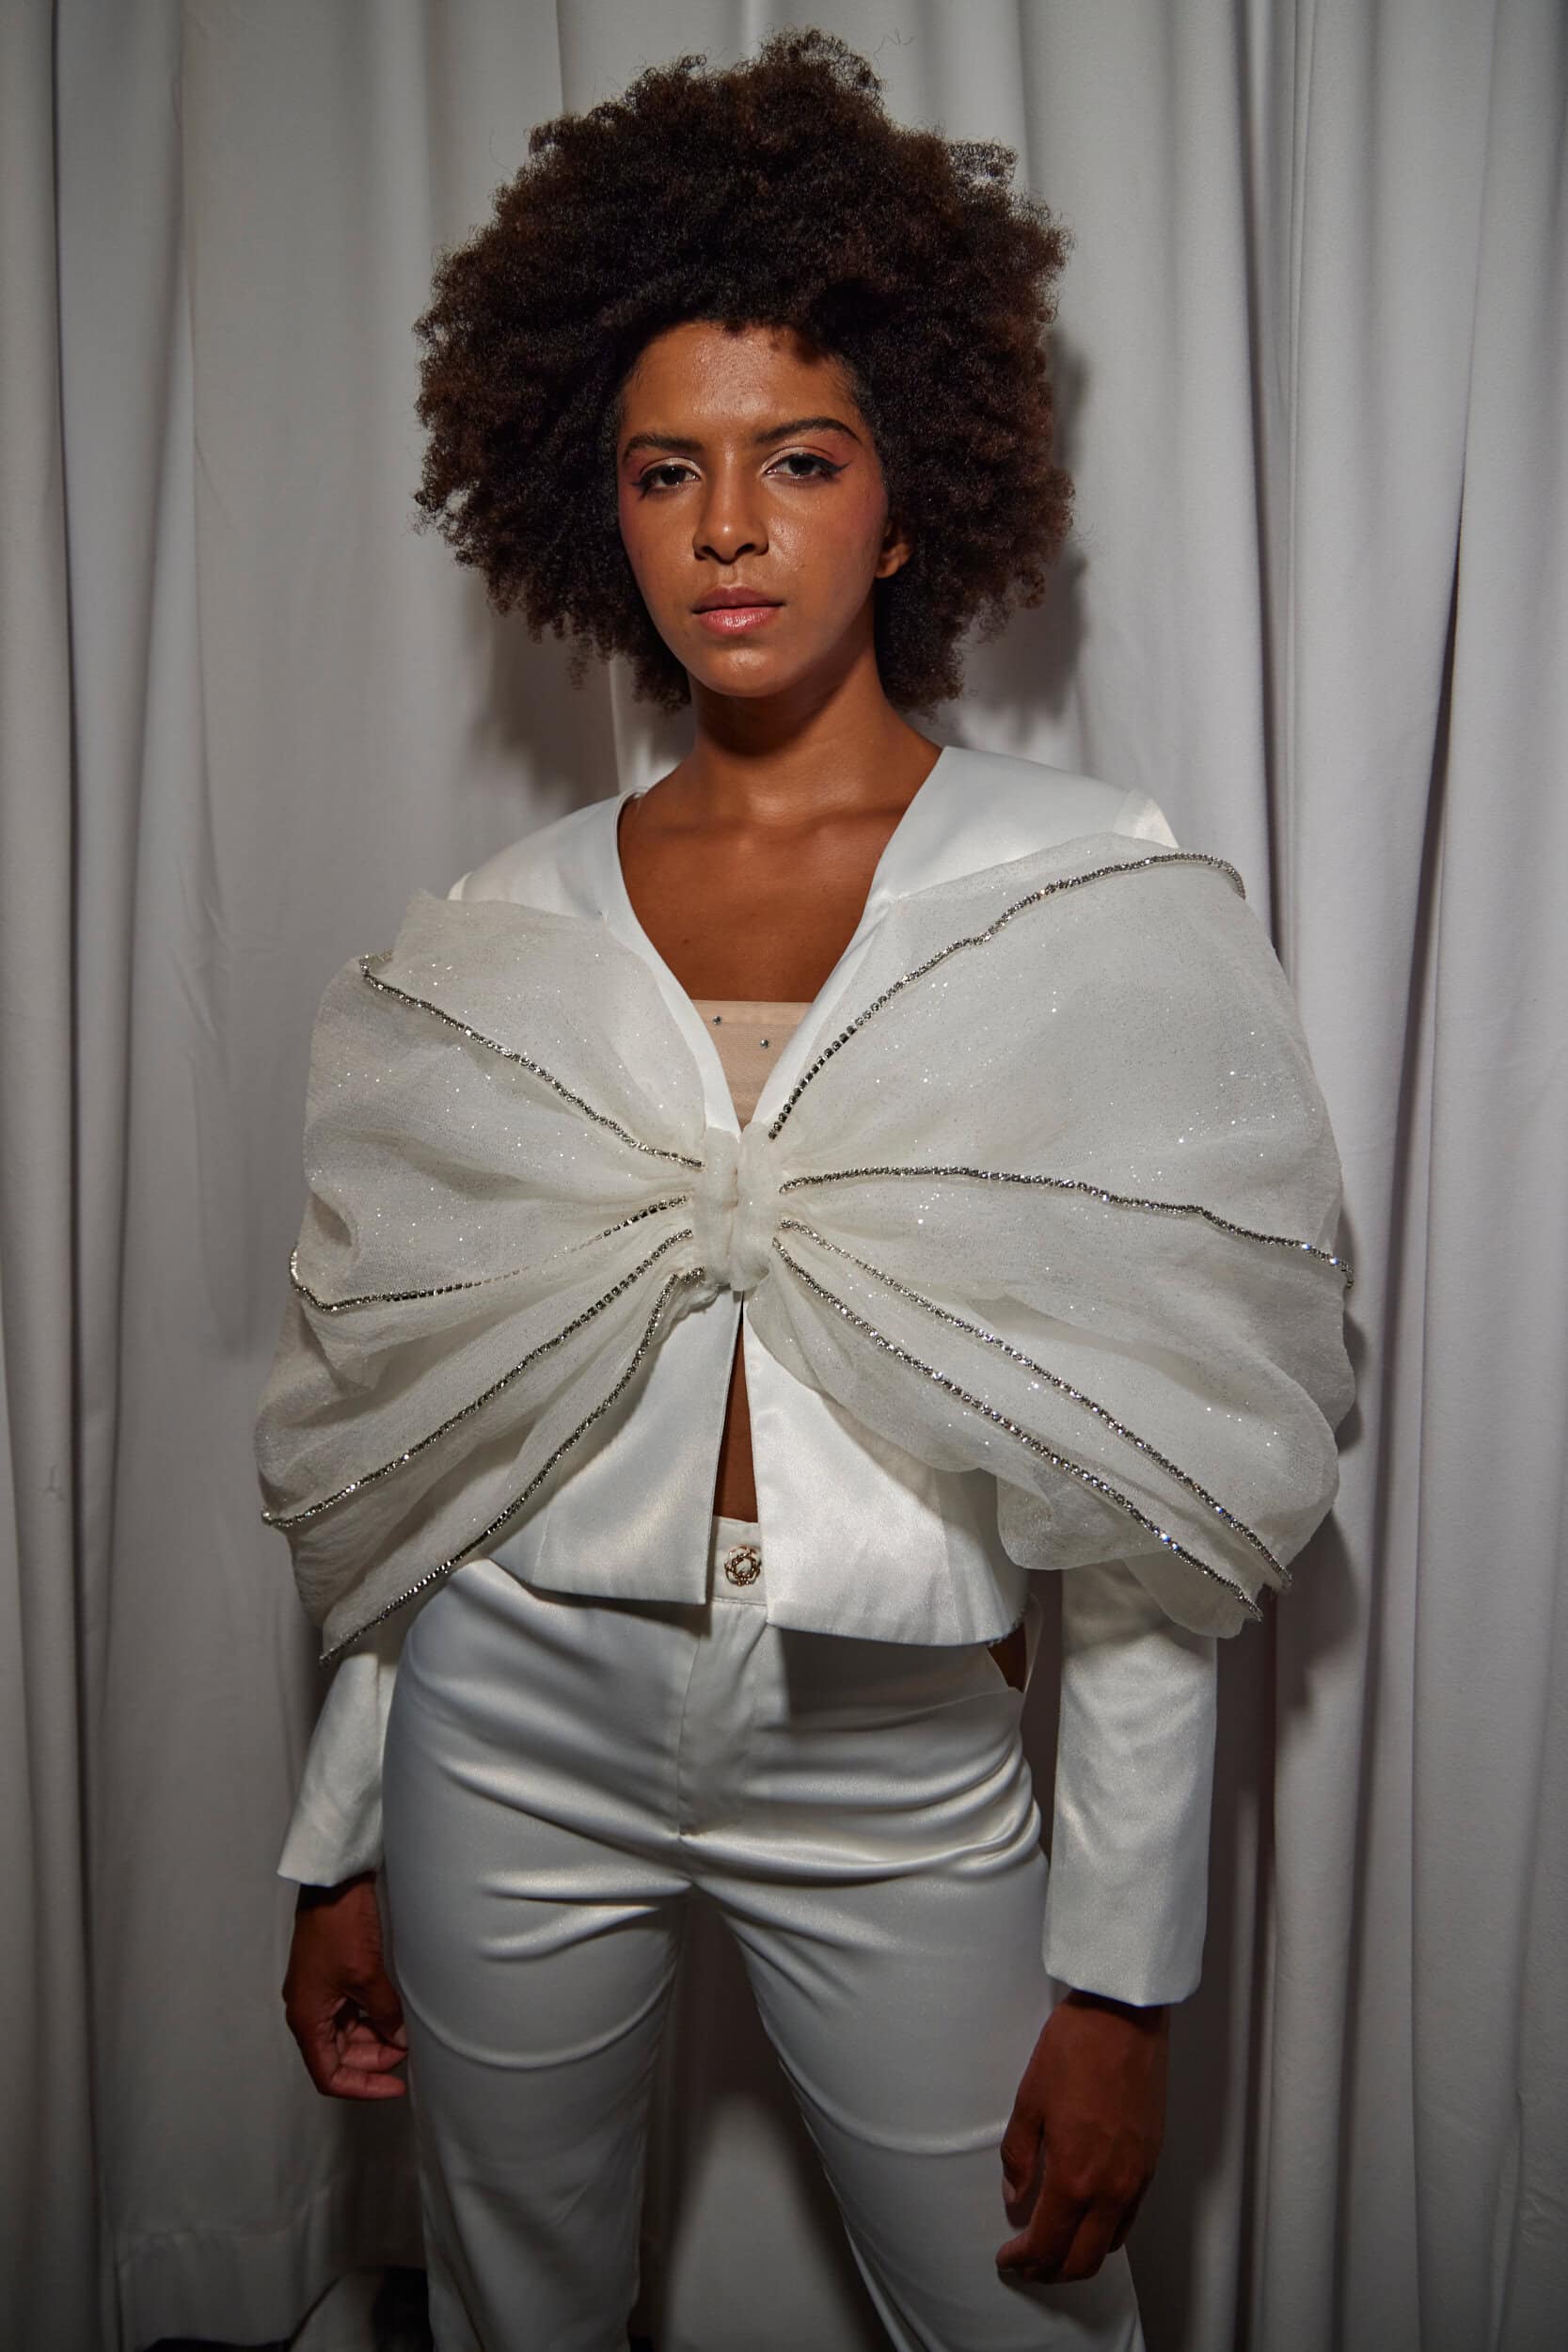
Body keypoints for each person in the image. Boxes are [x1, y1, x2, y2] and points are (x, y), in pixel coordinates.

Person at [256, 32, 1354, 2352]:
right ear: (601, 508)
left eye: (801, 457)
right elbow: (424, 1437)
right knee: (513, 2309)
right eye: (668, 469)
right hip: (506, 1712)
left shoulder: (1085, 889)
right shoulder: (504, 925)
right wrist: (340, 1831)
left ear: (910, 496)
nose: (729, 527)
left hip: (891, 1735)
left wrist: (1120, 1978)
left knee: (1027, 2313)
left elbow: (1152, 1498)